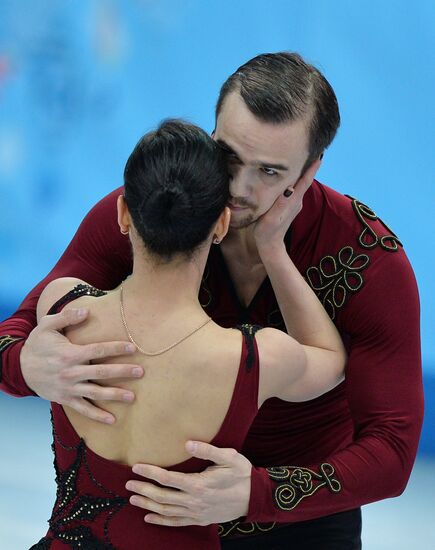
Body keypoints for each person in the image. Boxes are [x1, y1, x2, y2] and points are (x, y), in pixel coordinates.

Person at [0, 52, 422, 549]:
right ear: (214, 128)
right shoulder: (155, 213)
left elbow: (392, 452)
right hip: (158, 515)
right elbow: (13, 336)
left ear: (309, 170)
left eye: (269, 171)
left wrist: (259, 493)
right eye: (229, 157)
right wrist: (24, 363)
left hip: (299, 520)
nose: (238, 190)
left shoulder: (363, 258)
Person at [29, 119, 345, 548]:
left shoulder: (64, 306)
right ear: (220, 225)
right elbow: (330, 356)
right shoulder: (255, 359)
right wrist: (273, 248)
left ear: (123, 213)